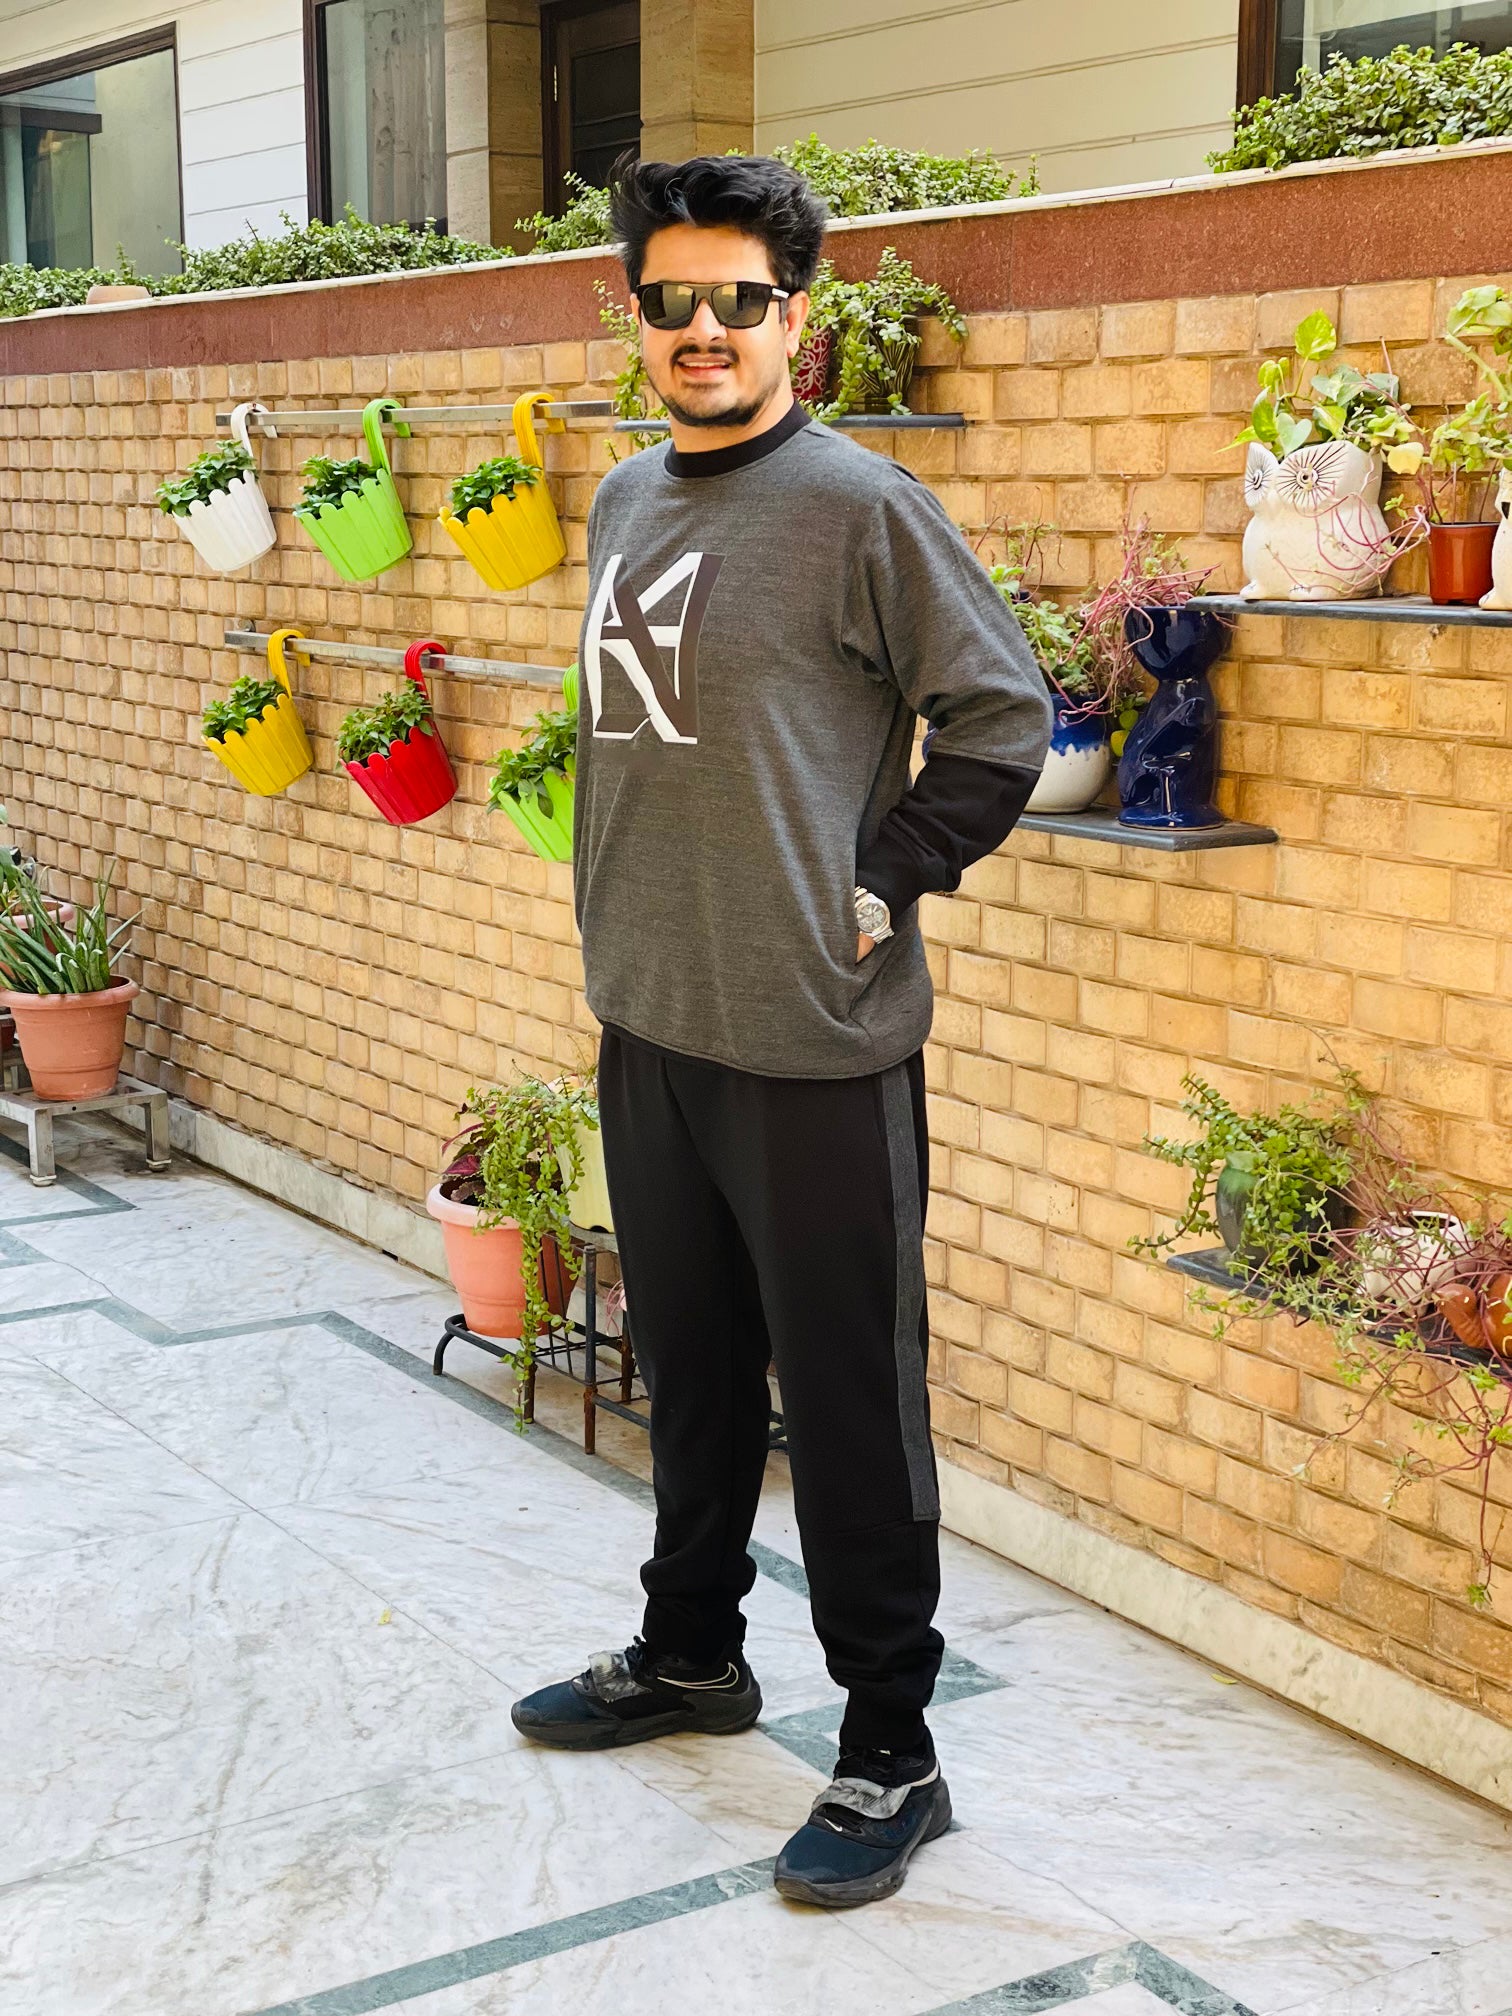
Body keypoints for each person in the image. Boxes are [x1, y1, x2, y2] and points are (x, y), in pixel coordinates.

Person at [510, 151, 1050, 1909]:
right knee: (687, 1373)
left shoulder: (860, 507)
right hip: (652, 1018)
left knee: (847, 1404)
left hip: (815, 1038)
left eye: (739, 298)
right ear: (637, 316)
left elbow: (1003, 716)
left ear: (792, 319)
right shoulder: (623, 501)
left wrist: (885, 876)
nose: (704, 328)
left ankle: (893, 1748)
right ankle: (692, 1655)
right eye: (671, 298)